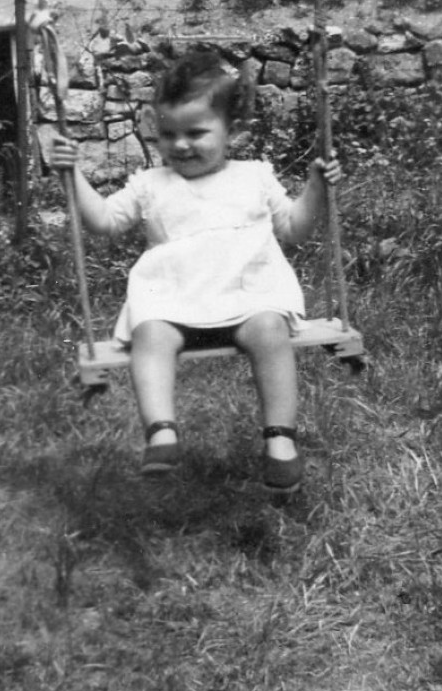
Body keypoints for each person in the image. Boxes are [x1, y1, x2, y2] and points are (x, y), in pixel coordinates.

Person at [49, 50, 341, 494]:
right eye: (168, 134)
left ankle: (280, 439)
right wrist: (73, 177)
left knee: (270, 331)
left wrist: (317, 188)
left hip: (248, 299)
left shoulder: (254, 176)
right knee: (150, 333)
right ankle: (161, 433)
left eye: (196, 132)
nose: (181, 145)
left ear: (232, 132)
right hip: (175, 302)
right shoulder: (150, 184)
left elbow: (295, 229)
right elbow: (105, 222)